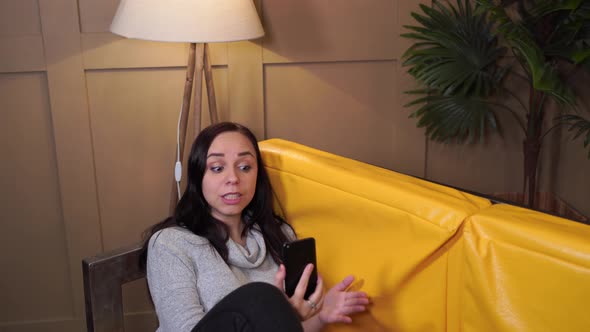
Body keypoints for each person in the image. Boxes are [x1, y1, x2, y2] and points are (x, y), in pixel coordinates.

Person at [140, 122, 369, 332]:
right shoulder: (171, 245)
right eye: (218, 168)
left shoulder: (278, 235)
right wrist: (281, 309)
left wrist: (320, 318)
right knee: (262, 297)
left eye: (245, 167)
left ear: (257, 175)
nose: (233, 178)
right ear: (199, 176)